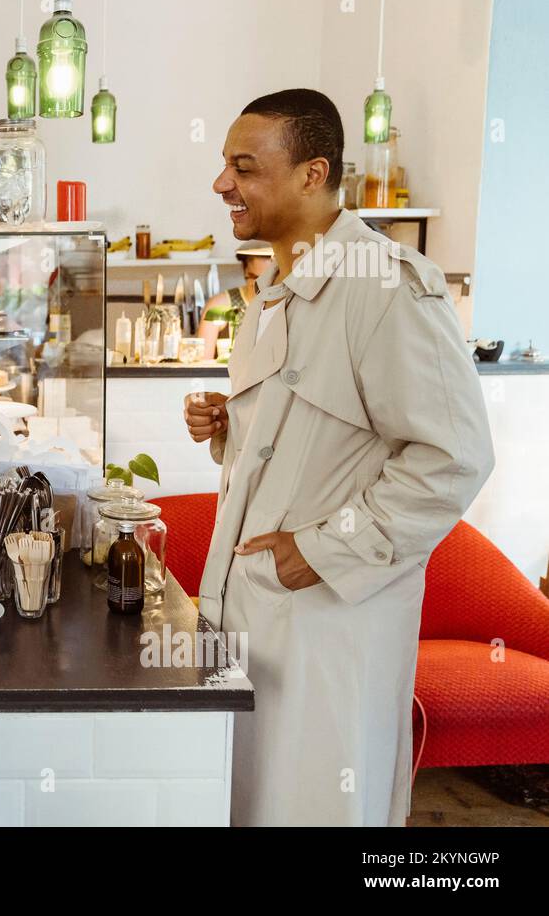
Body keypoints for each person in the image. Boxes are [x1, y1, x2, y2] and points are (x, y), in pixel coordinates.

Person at [183, 89, 494, 826]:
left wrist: (325, 550)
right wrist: (232, 426)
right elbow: (322, 441)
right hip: (252, 618)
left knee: (316, 801)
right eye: (224, 165)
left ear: (312, 173)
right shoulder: (272, 295)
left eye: (244, 166)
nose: (222, 184)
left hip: (327, 624)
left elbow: (455, 456)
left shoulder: (386, 286)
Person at [202, 240, 273, 325]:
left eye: (269, 279)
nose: (262, 285)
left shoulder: (284, 307)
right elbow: (205, 338)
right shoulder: (220, 305)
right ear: (245, 271)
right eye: (255, 277)